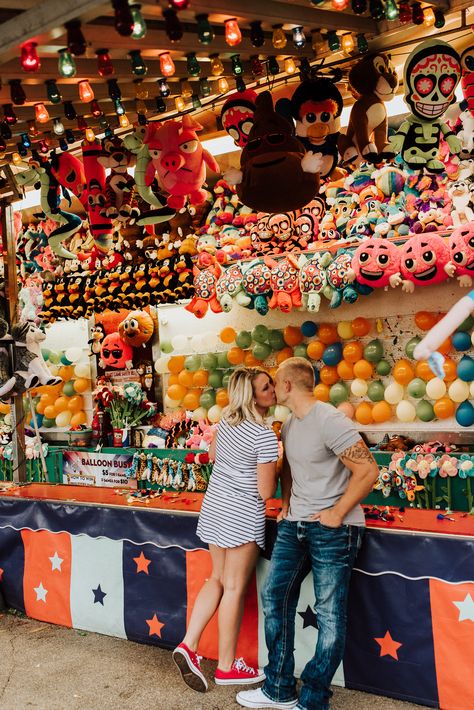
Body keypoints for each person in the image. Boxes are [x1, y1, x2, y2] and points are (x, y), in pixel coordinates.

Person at [237, 357, 379, 710]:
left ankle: (314, 698)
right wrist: (286, 503)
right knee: (275, 596)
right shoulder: (288, 426)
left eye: (274, 384)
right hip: (294, 524)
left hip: (334, 529)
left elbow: (367, 470)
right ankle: (279, 688)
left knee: (330, 614)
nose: (271, 390)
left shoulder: (330, 420)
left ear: (287, 385)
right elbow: (289, 469)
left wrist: (336, 512)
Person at [173, 367, 279, 693]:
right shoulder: (264, 436)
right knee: (233, 588)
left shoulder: (222, 428)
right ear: (252, 396)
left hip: (215, 511)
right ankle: (227, 667)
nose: (272, 391)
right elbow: (265, 492)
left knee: (216, 579)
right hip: (242, 517)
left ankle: (189, 644)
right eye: (266, 387)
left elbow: (214, 456)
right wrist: (279, 460)